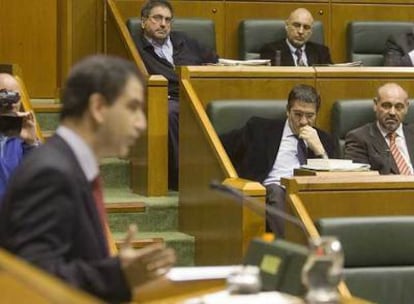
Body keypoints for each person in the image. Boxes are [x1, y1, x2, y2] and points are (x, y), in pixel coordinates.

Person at [0, 55, 176, 303]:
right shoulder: (51, 173)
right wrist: (117, 274)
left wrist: (114, 269)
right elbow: (33, 282)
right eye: (133, 108)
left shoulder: (72, 166)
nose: (141, 123)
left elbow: (70, 262)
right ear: (98, 108)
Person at [221, 84, 334, 237]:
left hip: (306, 197)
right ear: (287, 111)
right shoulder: (259, 129)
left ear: (316, 115)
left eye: (309, 116)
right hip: (267, 194)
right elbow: (219, 145)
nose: (303, 122)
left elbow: (334, 181)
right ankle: (293, 248)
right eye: (297, 114)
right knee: (275, 190)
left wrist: (320, 152)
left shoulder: (325, 141)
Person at [132, 0, 219, 190]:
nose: (163, 24)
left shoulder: (185, 40)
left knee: (221, 110)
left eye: (167, 20)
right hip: (165, 99)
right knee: (170, 112)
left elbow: (215, 62)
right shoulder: (135, 47)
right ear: (143, 21)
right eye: (157, 18)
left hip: (198, 95)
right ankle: (182, 177)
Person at [344, 83, 414, 175]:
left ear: (406, 108)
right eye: (386, 106)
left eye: (398, 107)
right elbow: (359, 179)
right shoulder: (359, 138)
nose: (392, 112)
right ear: (376, 105)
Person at [0, 73, 38, 200]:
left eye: (15, 96)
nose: (11, 102)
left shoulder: (24, 136)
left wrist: (31, 144)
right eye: (4, 95)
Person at [259, 8, 332, 66]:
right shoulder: (271, 50)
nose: (301, 31)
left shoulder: (322, 52)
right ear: (287, 26)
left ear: (311, 32)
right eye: (296, 25)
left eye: (306, 27)